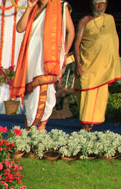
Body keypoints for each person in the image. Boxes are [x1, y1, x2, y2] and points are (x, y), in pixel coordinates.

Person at [11, 0, 75, 130]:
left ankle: (38, 128)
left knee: (45, 93)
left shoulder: (60, 6)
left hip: (48, 58)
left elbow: (71, 31)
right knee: (32, 95)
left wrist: (65, 53)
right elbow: (19, 28)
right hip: (31, 57)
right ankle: (33, 128)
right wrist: (29, 8)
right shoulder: (33, 9)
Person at [74, 0, 120, 130]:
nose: (99, 6)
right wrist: (78, 63)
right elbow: (77, 44)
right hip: (87, 63)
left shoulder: (110, 19)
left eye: (102, 3)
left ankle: (92, 122)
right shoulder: (85, 21)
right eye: (96, 3)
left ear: (106, 5)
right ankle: (85, 123)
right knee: (86, 92)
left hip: (102, 66)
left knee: (100, 93)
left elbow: (113, 42)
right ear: (92, 5)